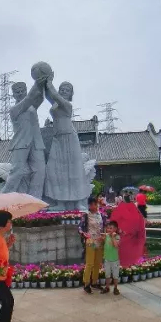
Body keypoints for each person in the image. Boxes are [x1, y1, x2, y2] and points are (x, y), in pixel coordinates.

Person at [42, 79, 92, 210]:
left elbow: (54, 94)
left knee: (74, 171)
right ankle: (60, 202)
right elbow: (49, 95)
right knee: (55, 171)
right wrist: (43, 81)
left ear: (71, 94)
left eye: (67, 90)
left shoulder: (67, 105)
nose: (64, 91)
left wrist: (49, 83)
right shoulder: (55, 103)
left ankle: (78, 202)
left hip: (69, 137)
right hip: (57, 139)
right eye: (62, 89)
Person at [109, 191, 146, 267]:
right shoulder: (136, 212)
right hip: (133, 243)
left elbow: (111, 227)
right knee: (132, 263)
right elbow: (141, 229)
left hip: (121, 242)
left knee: (120, 263)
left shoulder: (118, 210)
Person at [79, 196, 104, 293]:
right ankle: (86, 283)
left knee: (97, 263)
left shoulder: (101, 214)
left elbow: (106, 226)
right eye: (92, 204)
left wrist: (105, 235)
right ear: (89, 205)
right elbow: (80, 228)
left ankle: (94, 282)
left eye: (95, 204)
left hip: (99, 241)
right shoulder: (86, 215)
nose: (94, 206)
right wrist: (84, 234)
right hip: (91, 242)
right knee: (90, 263)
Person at [102, 220, 122, 295]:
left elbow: (116, 245)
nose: (109, 230)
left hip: (115, 260)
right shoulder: (106, 236)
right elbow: (103, 244)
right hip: (107, 259)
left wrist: (113, 237)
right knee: (107, 274)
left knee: (115, 275)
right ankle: (107, 287)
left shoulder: (117, 237)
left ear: (115, 229)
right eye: (108, 228)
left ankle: (115, 288)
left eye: (111, 228)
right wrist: (103, 238)